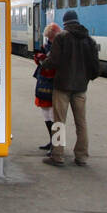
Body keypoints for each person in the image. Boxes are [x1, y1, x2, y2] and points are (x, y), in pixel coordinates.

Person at [42, 9, 99, 168]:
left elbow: (53, 61)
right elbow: (95, 66)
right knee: (81, 123)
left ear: (65, 22)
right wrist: (87, 78)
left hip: (62, 86)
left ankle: (57, 156)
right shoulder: (89, 40)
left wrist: (43, 63)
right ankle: (82, 156)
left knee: (59, 122)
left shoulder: (62, 38)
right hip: (80, 88)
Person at [33, 22, 61, 151]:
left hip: (55, 84)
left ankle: (57, 146)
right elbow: (40, 61)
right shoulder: (46, 46)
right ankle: (52, 142)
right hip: (44, 82)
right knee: (47, 114)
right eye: (48, 38)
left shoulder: (61, 46)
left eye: (51, 37)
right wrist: (39, 57)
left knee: (55, 116)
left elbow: (56, 63)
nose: (50, 40)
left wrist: (45, 60)